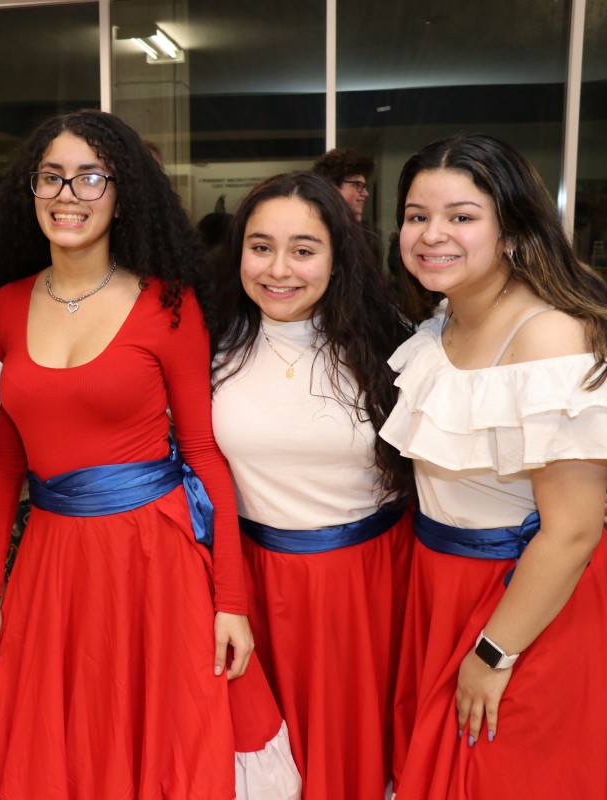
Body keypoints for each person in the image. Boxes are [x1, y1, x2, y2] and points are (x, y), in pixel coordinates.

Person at [0, 109, 299, 799]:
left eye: (91, 178)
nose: (68, 194)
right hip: (51, 562)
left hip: (156, 559)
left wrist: (229, 602)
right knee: (65, 742)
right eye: (52, 177)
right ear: (30, 191)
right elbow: (2, 464)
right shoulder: (1, 307)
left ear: (122, 196)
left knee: (162, 740)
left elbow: (205, 454)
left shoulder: (167, 305)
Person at [380, 132, 607, 799]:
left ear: (510, 231)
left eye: (461, 216)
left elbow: (570, 533)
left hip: (532, 606)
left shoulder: (548, 334)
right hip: (448, 591)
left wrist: (492, 654)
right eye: (418, 216)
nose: (432, 234)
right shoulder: (444, 321)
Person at [208, 170, 415, 800]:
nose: (279, 269)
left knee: (350, 759)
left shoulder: (393, 345)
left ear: (337, 256)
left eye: (303, 249)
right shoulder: (210, 343)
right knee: (260, 763)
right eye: (261, 246)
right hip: (245, 583)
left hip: (366, 586)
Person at [312, 148, 373, 223]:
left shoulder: (361, 231)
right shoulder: (315, 227)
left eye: (364, 186)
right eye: (357, 185)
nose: (366, 193)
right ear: (333, 186)